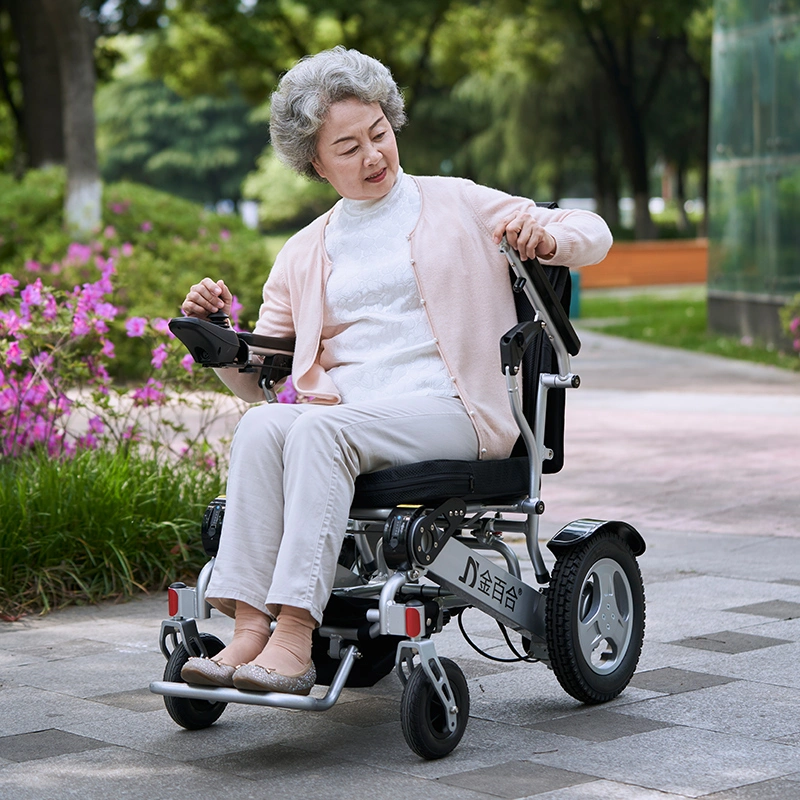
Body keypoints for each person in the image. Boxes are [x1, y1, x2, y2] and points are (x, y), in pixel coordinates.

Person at [179, 47, 612, 695]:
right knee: (265, 426)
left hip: (455, 413)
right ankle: (247, 629)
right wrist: (220, 346)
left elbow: (593, 231)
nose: (373, 156)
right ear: (315, 163)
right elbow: (261, 383)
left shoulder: (459, 203)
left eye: (379, 134)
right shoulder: (302, 254)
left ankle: (294, 639)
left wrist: (548, 238)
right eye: (348, 147)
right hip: (353, 428)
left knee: (316, 431)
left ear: (392, 122)